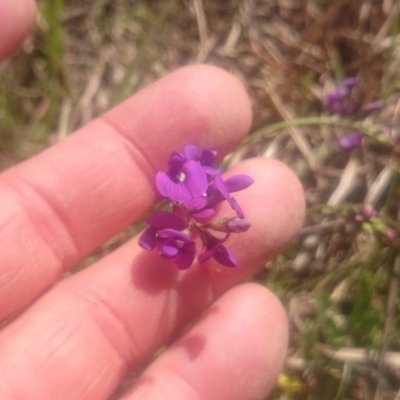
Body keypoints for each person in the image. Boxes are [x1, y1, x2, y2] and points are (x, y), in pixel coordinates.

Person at [0, 1, 305, 399]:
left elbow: (175, 225)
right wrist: (186, 220)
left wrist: (197, 230)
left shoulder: (197, 200)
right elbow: (166, 218)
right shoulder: (181, 191)